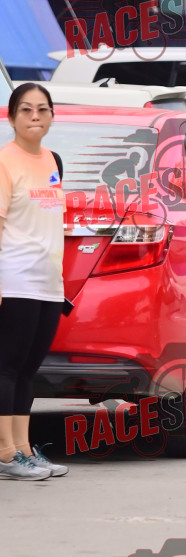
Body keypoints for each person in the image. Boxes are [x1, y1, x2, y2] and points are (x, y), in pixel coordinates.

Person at [0, 84, 69, 480]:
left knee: (29, 369)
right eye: (26, 110)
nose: (35, 116)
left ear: (52, 116)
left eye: (42, 109)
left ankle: (25, 449)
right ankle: (5, 453)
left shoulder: (53, 161)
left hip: (48, 283)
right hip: (15, 280)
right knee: (6, 367)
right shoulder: (4, 161)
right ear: (12, 118)